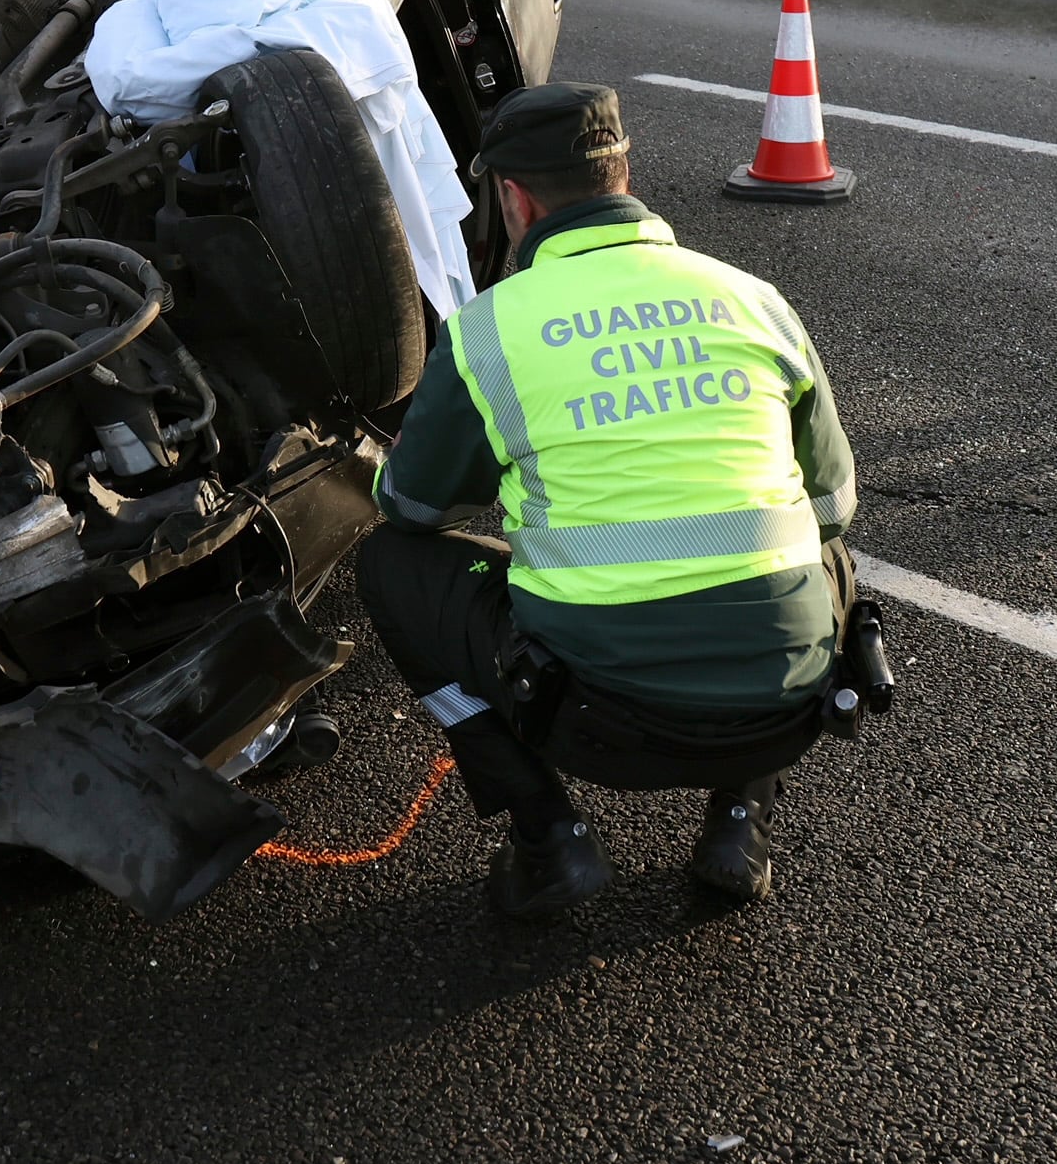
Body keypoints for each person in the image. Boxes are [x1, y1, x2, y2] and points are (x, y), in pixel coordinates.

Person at [356, 82, 862, 917]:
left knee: (390, 565)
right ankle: (741, 819)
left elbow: (412, 511)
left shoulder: (488, 330)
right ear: (624, 170)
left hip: (589, 717)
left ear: (514, 199)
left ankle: (550, 835)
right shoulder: (753, 298)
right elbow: (835, 503)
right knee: (810, 543)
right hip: (785, 703)